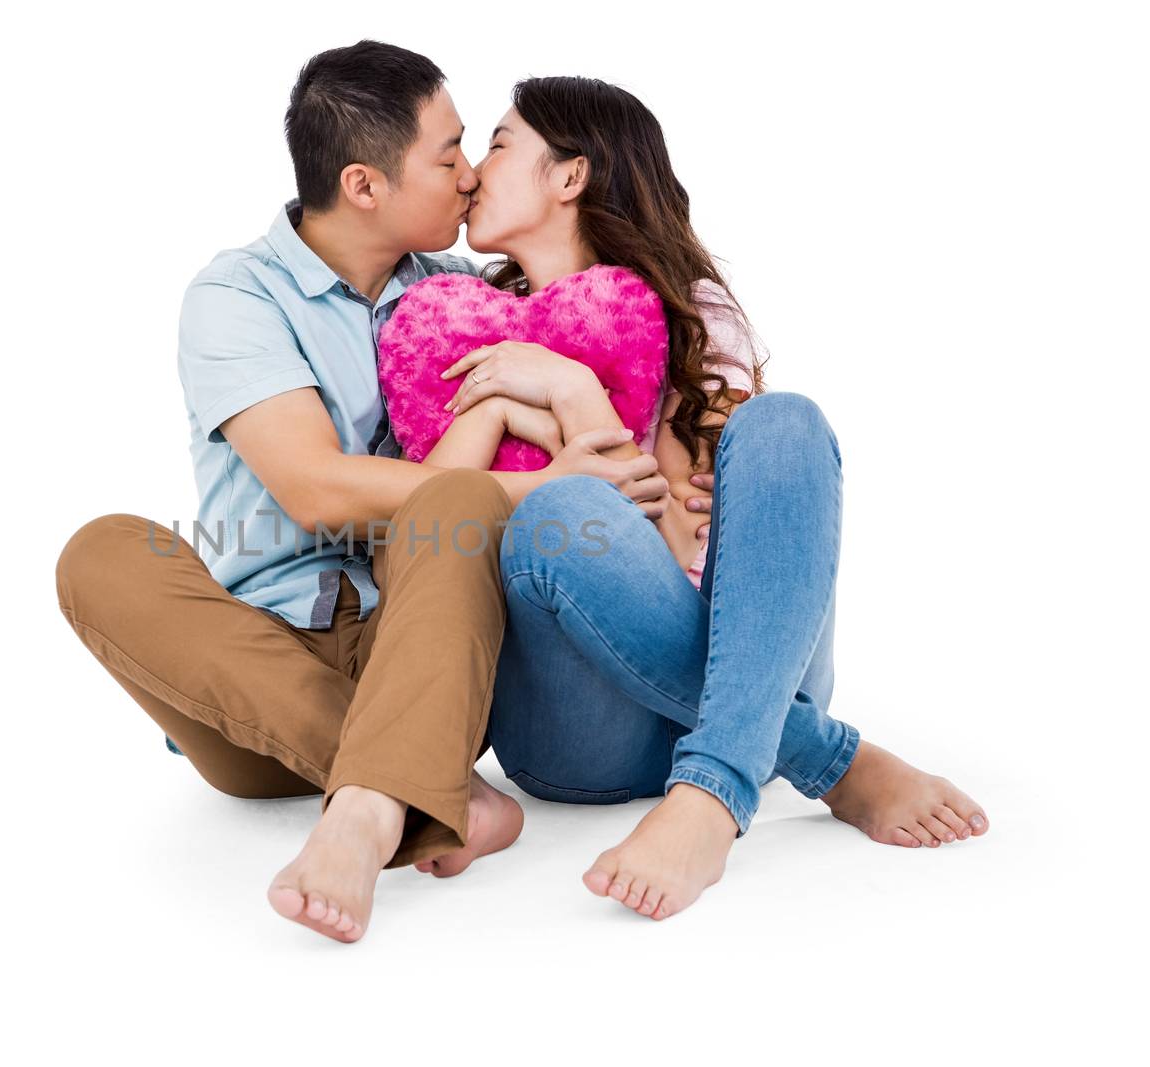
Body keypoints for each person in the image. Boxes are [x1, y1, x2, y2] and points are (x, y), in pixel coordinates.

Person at [53, 43, 668, 944]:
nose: (470, 175)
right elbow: (314, 489)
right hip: (253, 677)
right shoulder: (238, 295)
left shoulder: (462, 297)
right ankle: (435, 792)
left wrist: (558, 401)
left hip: (419, 652)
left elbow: (598, 394)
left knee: (450, 503)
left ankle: (362, 818)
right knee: (101, 551)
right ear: (365, 185)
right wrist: (529, 478)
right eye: (449, 153)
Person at [397, 76, 991, 919]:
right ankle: (828, 760)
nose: (473, 171)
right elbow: (452, 505)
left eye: (497, 143)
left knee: (786, 423)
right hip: (579, 725)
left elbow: (685, 537)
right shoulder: (457, 316)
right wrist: (530, 396)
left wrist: (566, 389)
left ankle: (709, 795)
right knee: (557, 515)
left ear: (568, 176)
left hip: (746, 674)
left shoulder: (693, 315)